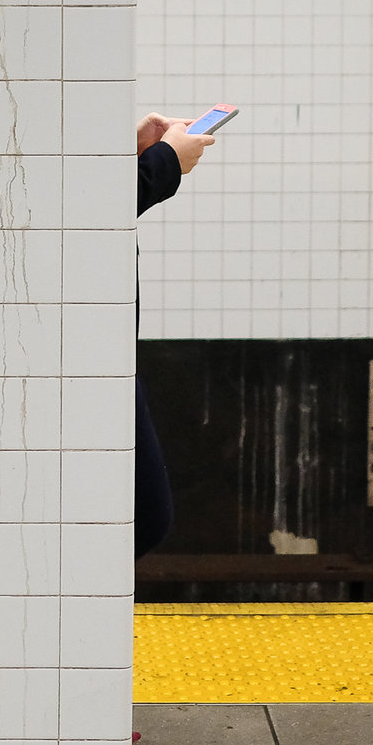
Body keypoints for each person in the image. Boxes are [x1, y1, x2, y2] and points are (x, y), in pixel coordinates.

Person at [134, 112, 215, 557]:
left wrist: (133, 151)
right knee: (146, 516)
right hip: (88, 365)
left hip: (100, 356)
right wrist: (165, 160)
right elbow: (76, 212)